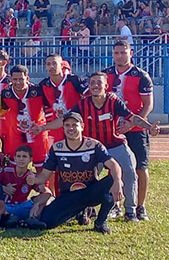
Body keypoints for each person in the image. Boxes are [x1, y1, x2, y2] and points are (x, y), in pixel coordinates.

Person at [54, 72, 159, 222]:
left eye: (99, 83)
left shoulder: (113, 100)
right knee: (85, 176)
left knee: (129, 171)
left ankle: (130, 210)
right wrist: (43, 127)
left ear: (106, 85)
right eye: (92, 83)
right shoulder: (83, 104)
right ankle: (85, 210)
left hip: (115, 144)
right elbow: (65, 120)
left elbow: (132, 117)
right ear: (89, 87)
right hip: (93, 147)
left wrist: (149, 127)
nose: (95, 86)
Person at [21, 113, 123, 235]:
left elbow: (113, 164)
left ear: (82, 126)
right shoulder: (57, 148)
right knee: (46, 222)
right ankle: (79, 212)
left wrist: (117, 181)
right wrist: (35, 180)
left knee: (115, 179)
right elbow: (44, 175)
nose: (71, 129)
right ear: (63, 128)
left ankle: (101, 221)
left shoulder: (94, 145)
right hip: (69, 195)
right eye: (67, 125)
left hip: (91, 192)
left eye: (75, 125)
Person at [103, 42, 155, 221]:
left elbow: (148, 105)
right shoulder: (106, 74)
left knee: (140, 167)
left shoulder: (141, 76)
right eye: (116, 53)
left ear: (130, 53)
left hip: (136, 129)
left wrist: (130, 125)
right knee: (114, 167)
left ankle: (140, 207)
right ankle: (115, 205)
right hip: (113, 130)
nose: (119, 56)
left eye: (123, 52)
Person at [0, 65, 51, 167]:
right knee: (15, 167)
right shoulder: (6, 93)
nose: (18, 82)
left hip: (37, 134)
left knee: (41, 166)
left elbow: (49, 109)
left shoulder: (38, 91)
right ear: (10, 79)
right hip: (17, 135)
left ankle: (41, 184)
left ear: (27, 78)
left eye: (21, 79)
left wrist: (45, 127)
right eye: (15, 79)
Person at [0, 145, 52, 227]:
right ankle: (10, 219)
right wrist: (3, 188)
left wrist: (37, 203)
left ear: (30, 160)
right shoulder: (6, 170)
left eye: (24, 156)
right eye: (18, 156)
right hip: (6, 206)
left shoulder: (31, 176)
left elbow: (47, 192)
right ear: (15, 158)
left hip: (22, 206)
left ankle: (32, 219)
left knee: (44, 198)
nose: (21, 159)